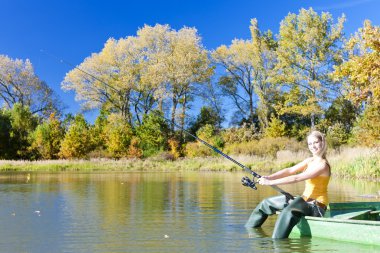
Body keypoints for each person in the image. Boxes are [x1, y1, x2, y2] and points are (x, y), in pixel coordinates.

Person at [245, 130, 331, 239]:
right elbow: (290, 170)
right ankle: (249, 232)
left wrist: (270, 183)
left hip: (316, 207)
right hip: (304, 201)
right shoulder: (310, 161)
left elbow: (297, 177)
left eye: (315, 142)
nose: (312, 146)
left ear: (322, 143)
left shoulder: (323, 165)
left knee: (287, 212)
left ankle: (277, 244)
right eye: (310, 143)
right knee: (266, 203)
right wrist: (268, 177)